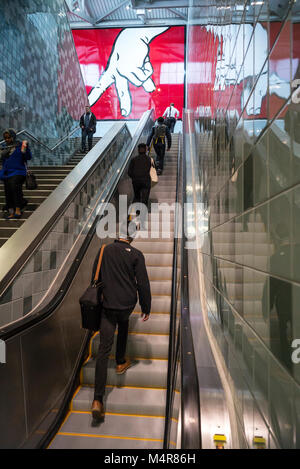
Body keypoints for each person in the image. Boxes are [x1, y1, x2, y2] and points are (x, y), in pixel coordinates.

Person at [91, 221, 151, 420]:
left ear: (119, 233)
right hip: (126, 305)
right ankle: (120, 362)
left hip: (108, 306)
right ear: (133, 236)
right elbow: (142, 283)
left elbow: (95, 277)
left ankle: (97, 399)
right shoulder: (136, 255)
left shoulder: (104, 251)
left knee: (103, 349)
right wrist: (146, 306)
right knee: (124, 323)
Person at [0, 129, 32, 219]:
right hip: (7, 173)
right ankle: (11, 211)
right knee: (7, 191)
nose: (7, 140)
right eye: (5, 138)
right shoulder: (4, 148)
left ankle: (18, 209)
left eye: (8, 137)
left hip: (19, 172)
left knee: (14, 186)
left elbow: (28, 157)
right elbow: (2, 162)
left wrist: (25, 148)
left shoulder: (20, 145)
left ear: (13, 137)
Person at [128, 143, 151, 209]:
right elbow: (153, 170)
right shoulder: (149, 159)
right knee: (145, 198)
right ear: (146, 150)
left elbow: (129, 172)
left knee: (137, 196)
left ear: (138, 150)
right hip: (146, 181)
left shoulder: (133, 159)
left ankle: (136, 212)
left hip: (136, 182)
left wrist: (134, 177)